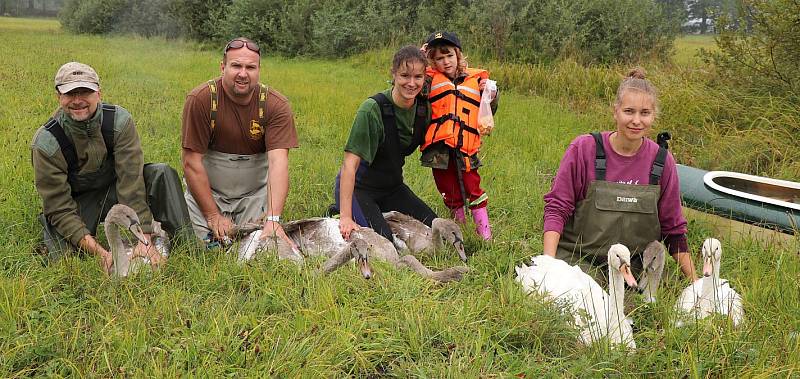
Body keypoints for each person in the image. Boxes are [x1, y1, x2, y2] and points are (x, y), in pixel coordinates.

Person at [31, 62, 191, 273]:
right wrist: (104, 254)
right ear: (58, 96)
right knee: (64, 260)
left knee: (161, 172)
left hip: (115, 190)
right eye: (70, 94)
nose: (78, 101)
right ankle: (91, 245)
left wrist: (144, 240)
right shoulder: (46, 142)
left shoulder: (120, 121)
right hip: (79, 202)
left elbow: (130, 181)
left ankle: (188, 247)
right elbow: (59, 207)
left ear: (99, 93)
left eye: (85, 92)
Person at [542, 68, 696, 281]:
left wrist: (696, 284)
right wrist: (548, 267)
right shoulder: (584, 149)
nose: (636, 121)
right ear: (615, 111)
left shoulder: (662, 162)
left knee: (638, 308)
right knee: (579, 302)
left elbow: (674, 229)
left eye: (645, 113)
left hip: (633, 268)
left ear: (653, 116)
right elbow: (557, 208)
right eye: (629, 111)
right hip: (580, 260)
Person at [181, 37, 299, 250]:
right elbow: (191, 162)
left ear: (259, 70)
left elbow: (278, 163)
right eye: (236, 66)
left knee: (255, 246)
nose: (243, 74)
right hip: (210, 191)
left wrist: (273, 219)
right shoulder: (201, 99)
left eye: (250, 67)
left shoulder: (276, 104)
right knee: (199, 246)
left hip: (254, 194)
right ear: (223, 67)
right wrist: (212, 216)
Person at [335, 45, 438, 242]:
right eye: (404, 75)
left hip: (393, 188)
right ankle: (338, 210)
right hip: (360, 189)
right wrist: (346, 217)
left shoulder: (425, 109)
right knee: (385, 242)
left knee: (433, 229)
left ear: (425, 78)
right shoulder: (372, 109)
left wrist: (489, 97)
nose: (411, 83)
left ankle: (379, 213)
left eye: (417, 77)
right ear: (393, 74)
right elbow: (349, 164)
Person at [420, 31, 498, 241]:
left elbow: (489, 111)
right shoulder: (428, 80)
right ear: (432, 61)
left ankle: (485, 234)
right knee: (449, 191)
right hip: (439, 149)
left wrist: (491, 94)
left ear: (458, 55)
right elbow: (408, 81)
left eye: (449, 56)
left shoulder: (477, 82)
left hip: (467, 146)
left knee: (474, 188)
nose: (445, 62)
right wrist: (418, 59)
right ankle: (459, 231)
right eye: (439, 58)